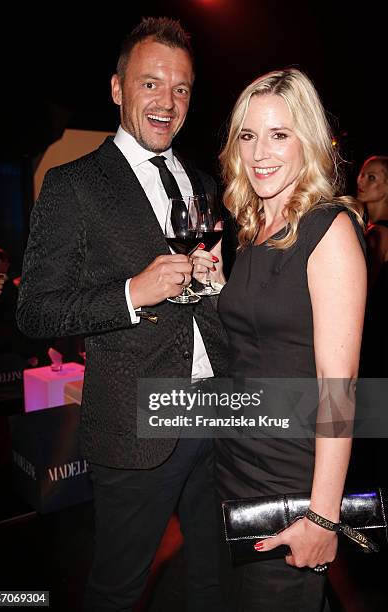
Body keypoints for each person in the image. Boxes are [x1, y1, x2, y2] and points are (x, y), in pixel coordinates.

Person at [17, 17, 228, 612]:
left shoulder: (203, 184)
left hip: (215, 412)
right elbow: (34, 311)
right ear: (117, 88)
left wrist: (217, 287)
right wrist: (132, 294)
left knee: (212, 578)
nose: (167, 101)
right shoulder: (73, 184)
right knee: (116, 590)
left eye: (182, 88)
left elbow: (208, 302)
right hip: (136, 426)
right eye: (151, 84)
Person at [215, 68, 366, 611]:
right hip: (235, 470)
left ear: (308, 139)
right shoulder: (254, 229)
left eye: (280, 134)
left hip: (290, 485)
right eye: (249, 135)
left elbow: (339, 390)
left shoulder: (331, 231)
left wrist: (323, 517)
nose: (260, 152)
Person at [357, 156, 388, 376]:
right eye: (361, 174)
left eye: (371, 177)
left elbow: (362, 289)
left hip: (373, 335)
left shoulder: (378, 232)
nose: (361, 181)